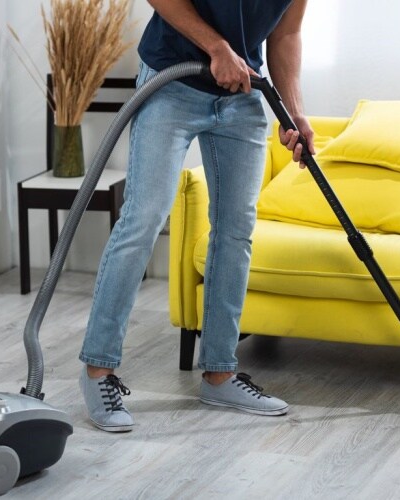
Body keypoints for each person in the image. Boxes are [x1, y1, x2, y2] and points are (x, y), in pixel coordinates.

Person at [78, 0, 314, 432]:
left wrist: (293, 109)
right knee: (143, 219)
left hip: (242, 95)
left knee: (236, 232)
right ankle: (98, 370)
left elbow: (285, 33)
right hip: (171, 84)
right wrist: (216, 47)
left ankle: (220, 373)